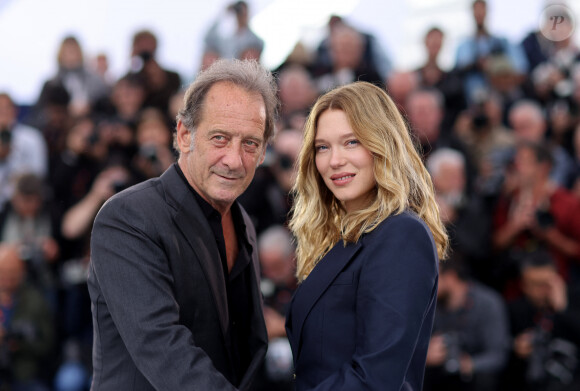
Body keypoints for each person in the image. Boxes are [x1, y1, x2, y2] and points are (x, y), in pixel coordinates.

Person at [87, 58, 278, 390]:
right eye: (220, 138)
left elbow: (241, 351)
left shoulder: (242, 221)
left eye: (250, 143)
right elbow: (164, 351)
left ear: (263, 153)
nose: (234, 160)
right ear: (184, 134)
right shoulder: (127, 218)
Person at [285, 81, 448, 390]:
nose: (334, 160)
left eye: (351, 142)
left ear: (382, 144)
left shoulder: (401, 234)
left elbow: (375, 379)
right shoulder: (344, 239)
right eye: (323, 147)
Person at [424, 257, 510, 391]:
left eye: (434, 275)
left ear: (451, 277)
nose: (428, 283)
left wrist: (469, 364)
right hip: (437, 376)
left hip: (475, 379)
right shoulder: (428, 305)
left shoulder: (488, 303)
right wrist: (424, 353)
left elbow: (498, 355)